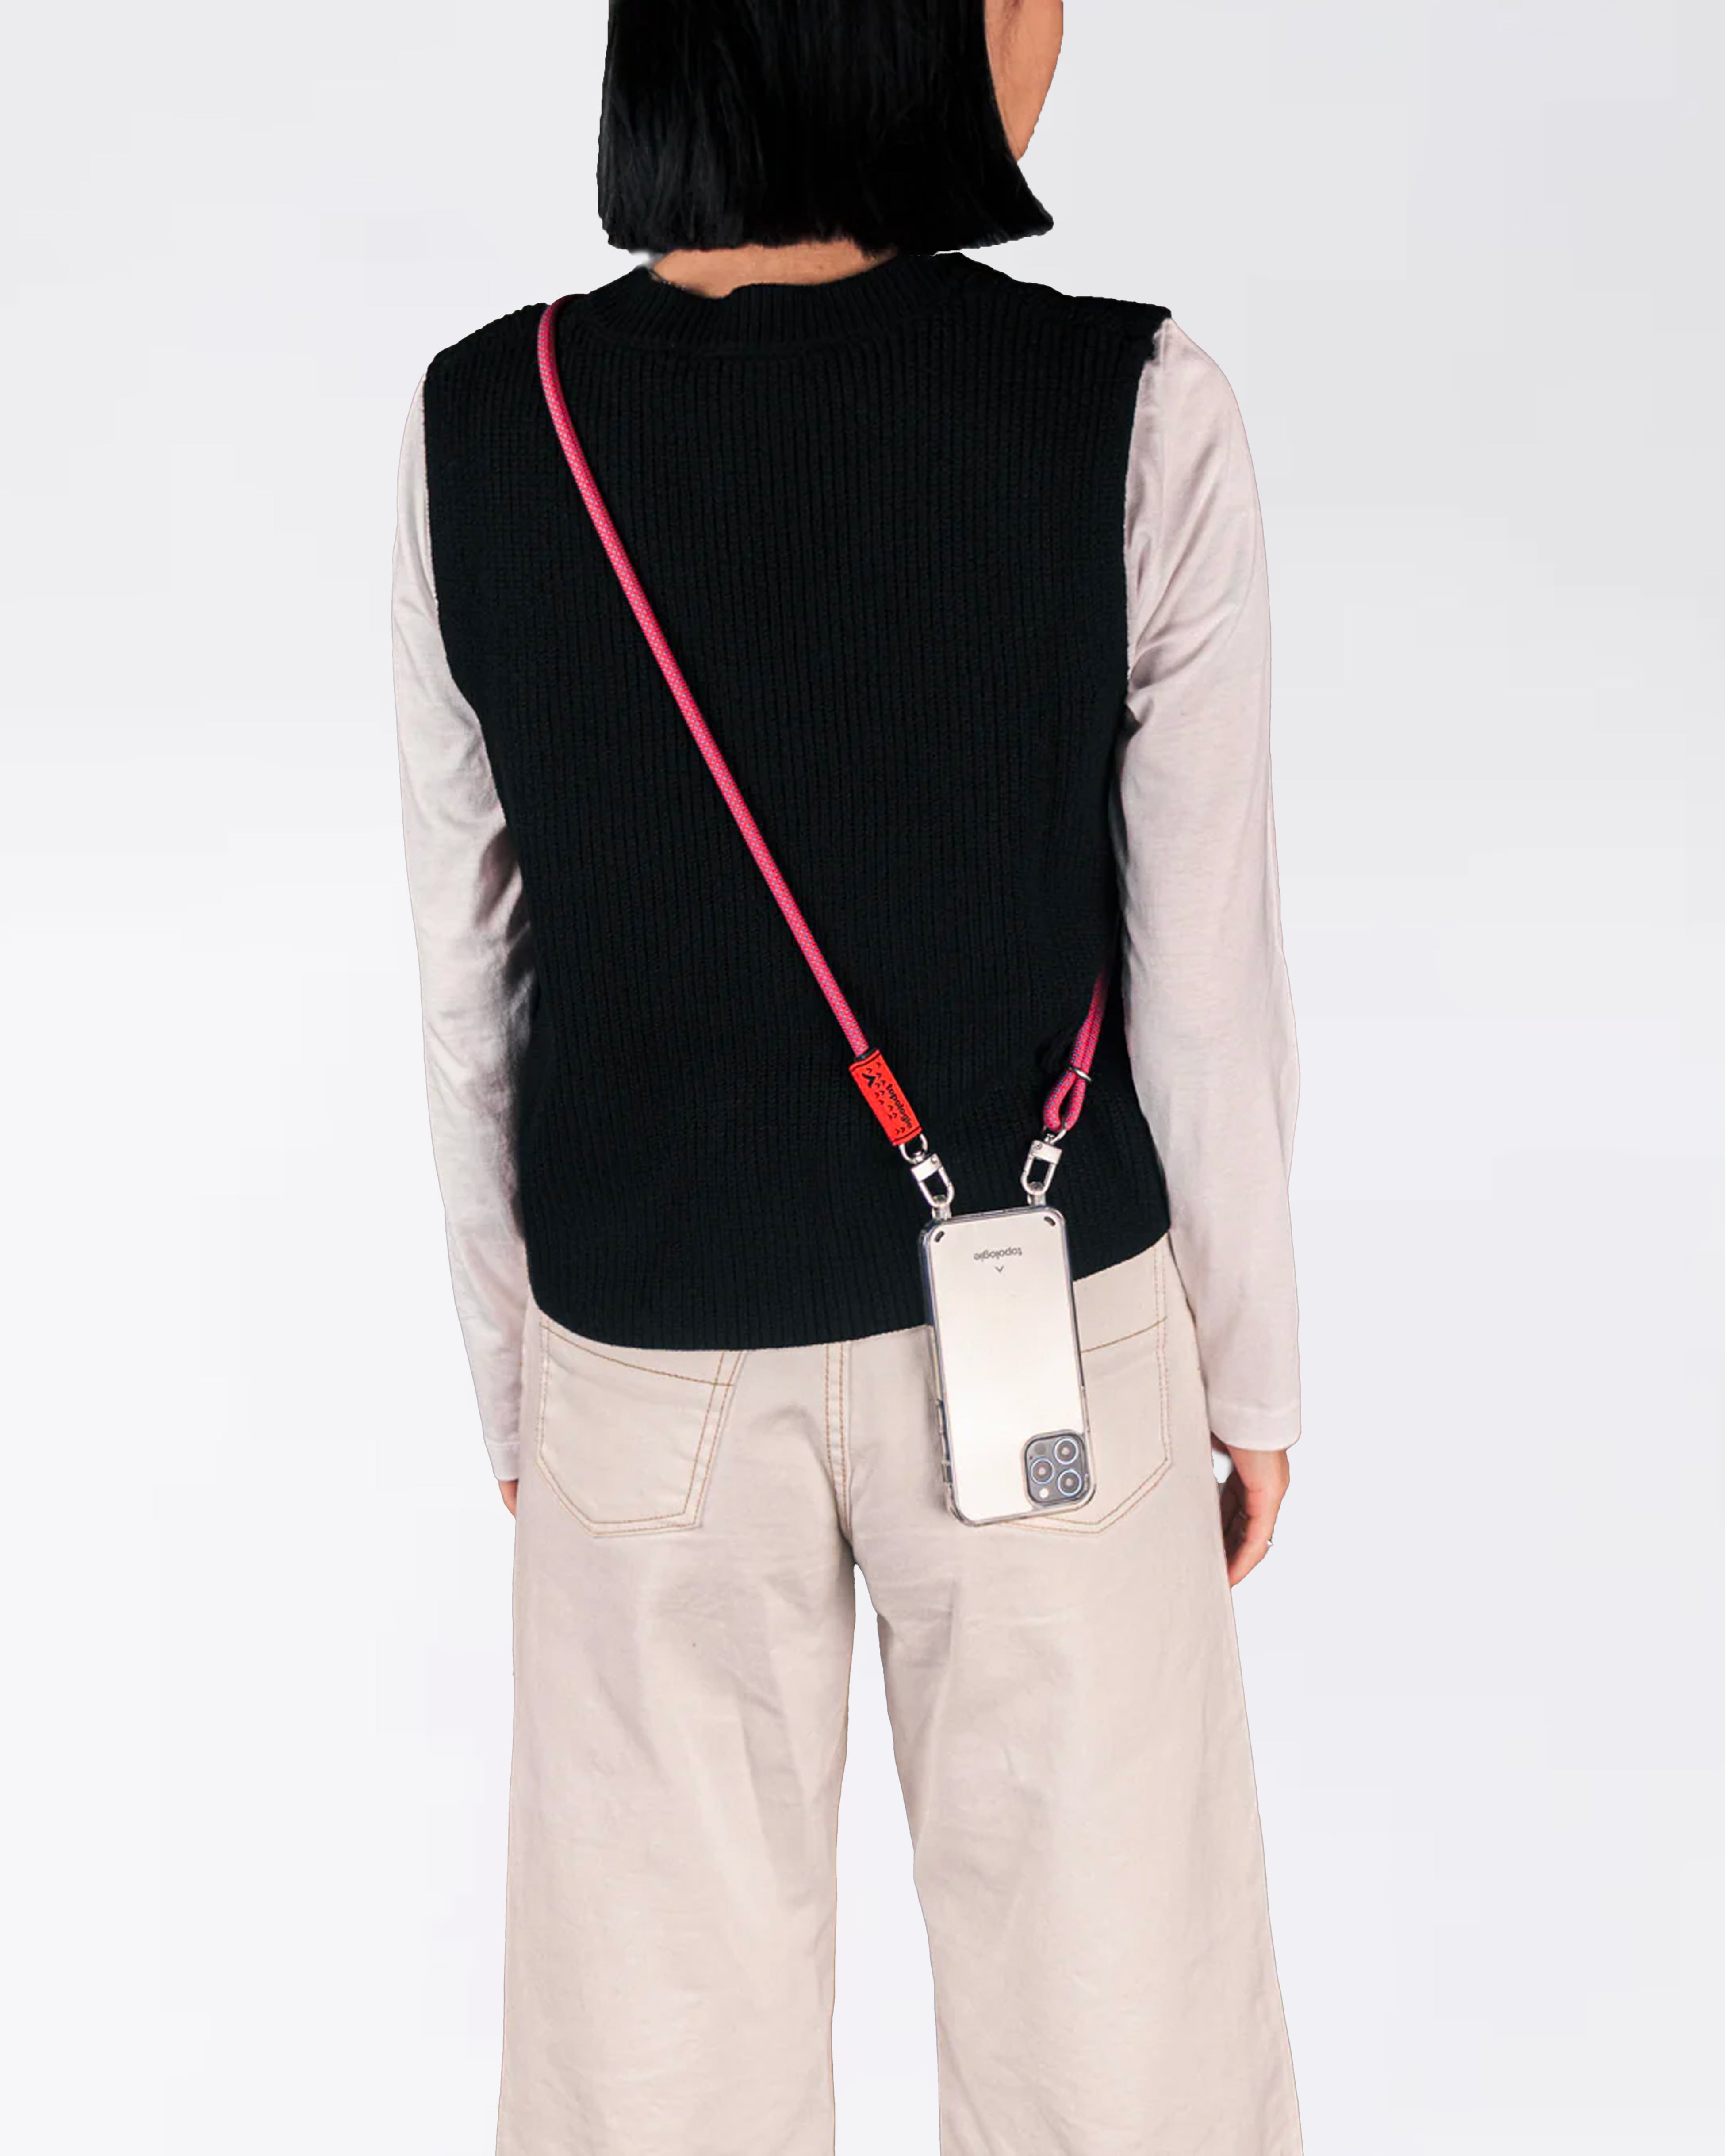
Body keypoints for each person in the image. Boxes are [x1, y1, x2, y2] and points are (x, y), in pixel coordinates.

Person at [390, 0, 1303, 2148]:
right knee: (1125, 2062)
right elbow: (1202, 984)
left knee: (648, 2080)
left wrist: (517, 1388)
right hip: (1055, 1329)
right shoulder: (1134, 406)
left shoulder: (485, 426)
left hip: (640, 1357)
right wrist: (1252, 1372)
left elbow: (470, 981)